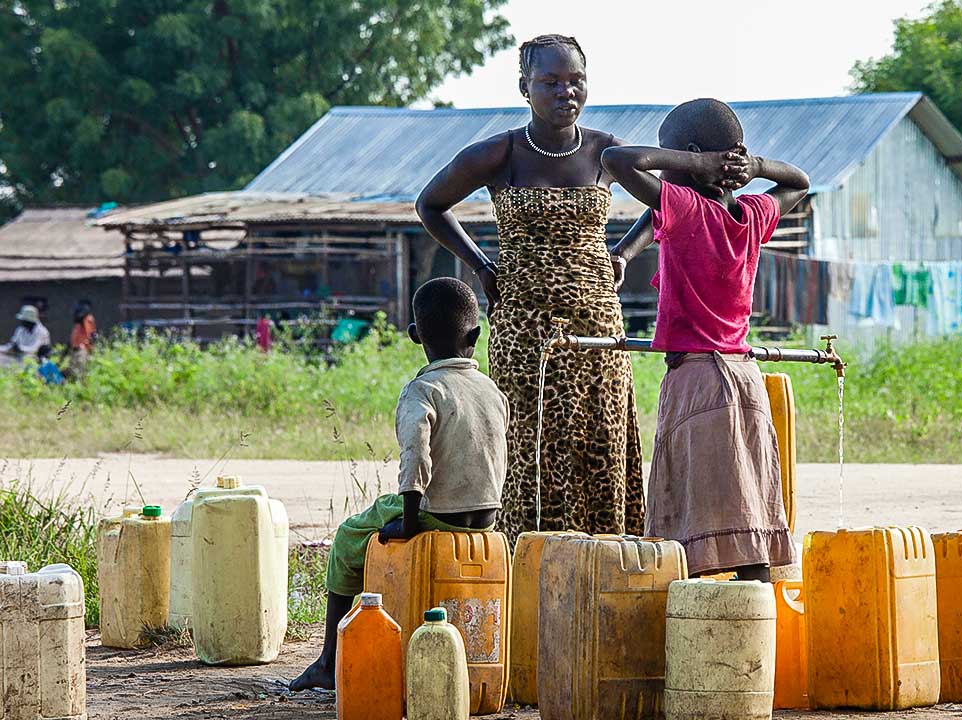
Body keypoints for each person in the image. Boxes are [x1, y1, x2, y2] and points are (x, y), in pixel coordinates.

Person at [415, 34, 648, 544]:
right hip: (524, 325)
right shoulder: (500, 154)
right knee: (528, 449)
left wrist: (623, 254)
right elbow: (430, 204)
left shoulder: (607, 152)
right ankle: (530, 582)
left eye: (576, 81)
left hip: (598, 328)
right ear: (525, 87)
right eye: (551, 81)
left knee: (600, 444)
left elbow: (669, 201)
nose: (567, 91)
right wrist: (480, 265)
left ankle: (603, 576)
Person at [602, 98, 811, 580]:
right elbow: (798, 181)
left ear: (693, 156)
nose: (666, 166)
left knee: (690, 534)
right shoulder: (751, 214)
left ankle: (697, 640)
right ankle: (755, 639)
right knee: (749, 527)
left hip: (698, 382)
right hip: (745, 380)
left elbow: (617, 162)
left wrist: (693, 165)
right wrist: (753, 166)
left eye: (671, 155)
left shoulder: (689, 207)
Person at [289, 278, 509, 691]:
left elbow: (415, 458)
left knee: (348, 536)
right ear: (476, 335)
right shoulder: (492, 390)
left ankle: (327, 662)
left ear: (413, 336)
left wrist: (408, 522)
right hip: (486, 521)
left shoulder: (423, 390)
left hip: (435, 514)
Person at [67, 300, 96, 379]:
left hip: (82, 351)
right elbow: (71, 341)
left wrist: (87, 348)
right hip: (75, 351)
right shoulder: (78, 325)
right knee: (73, 374)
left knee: (80, 375)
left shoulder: (87, 319)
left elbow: (91, 336)